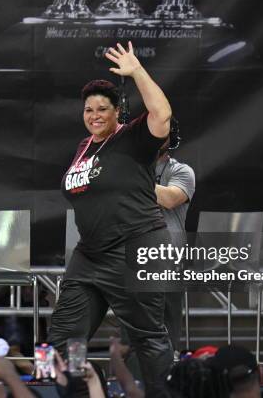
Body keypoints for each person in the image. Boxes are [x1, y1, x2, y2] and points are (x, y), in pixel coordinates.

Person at [48, 41, 174, 397]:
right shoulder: (84, 147)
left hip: (136, 248)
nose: (94, 114)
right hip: (90, 256)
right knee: (64, 339)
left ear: (118, 111)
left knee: (148, 338)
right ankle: (84, 392)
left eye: (103, 108)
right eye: (88, 109)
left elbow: (162, 115)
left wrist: (136, 72)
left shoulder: (133, 138)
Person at [154, 121, 195, 349]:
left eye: (162, 133)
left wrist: (130, 177)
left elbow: (169, 199)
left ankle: (166, 379)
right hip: (131, 257)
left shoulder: (181, 171)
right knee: (131, 336)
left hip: (168, 258)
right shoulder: (129, 170)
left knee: (167, 333)